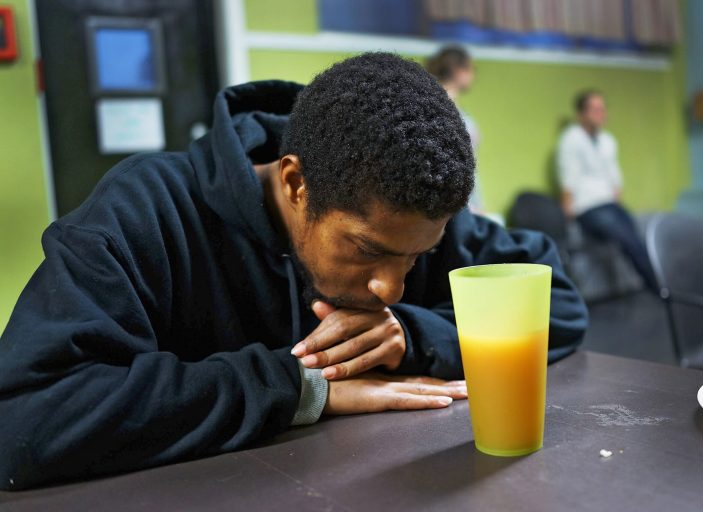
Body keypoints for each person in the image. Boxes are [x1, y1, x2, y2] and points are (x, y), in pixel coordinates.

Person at [0, 53, 588, 490]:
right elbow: (25, 421)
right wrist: (298, 388)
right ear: (295, 183)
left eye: (416, 259)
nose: (391, 285)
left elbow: (556, 300)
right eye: (367, 251)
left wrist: (412, 333)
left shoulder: (407, 206)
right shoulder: (145, 213)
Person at [557, 90, 657, 291]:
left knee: (638, 234)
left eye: (603, 109)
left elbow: (614, 177)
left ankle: (655, 280)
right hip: (588, 208)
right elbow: (569, 178)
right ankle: (657, 285)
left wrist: (618, 204)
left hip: (610, 204)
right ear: (581, 114)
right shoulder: (571, 139)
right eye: (595, 109)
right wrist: (567, 216)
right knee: (627, 239)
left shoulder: (608, 140)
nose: (601, 113)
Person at [426, 45, 484, 212]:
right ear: (459, 70)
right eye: (472, 68)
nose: (474, 74)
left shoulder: (453, 109)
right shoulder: (440, 110)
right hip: (454, 205)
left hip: (465, 201)